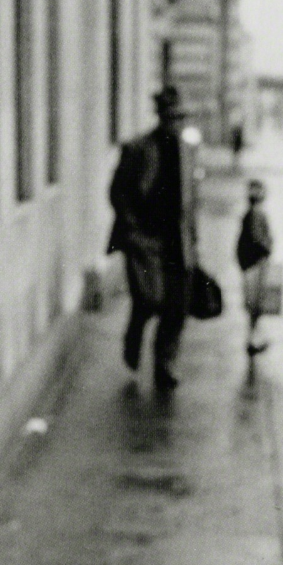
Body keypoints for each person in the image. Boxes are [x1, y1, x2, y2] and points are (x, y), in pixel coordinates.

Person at [108, 85, 193, 392]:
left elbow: (190, 199)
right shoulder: (138, 149)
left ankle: (164, 364)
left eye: (180, 119)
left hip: (177, 240)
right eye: (171, 118)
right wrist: (132, 229)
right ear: (160, 118)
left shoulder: (186, 151)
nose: (176, 125)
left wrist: (194, 242)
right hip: (145, 239)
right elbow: (118, 192)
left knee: (177, 307)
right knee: (149, 299)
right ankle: (134, 334)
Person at [236, 180, 274, 357]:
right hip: (256, 264)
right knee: (256, 304)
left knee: (253, 304)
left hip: (248, 264)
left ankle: (252, 336)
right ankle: (252, 338)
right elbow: (260, 240)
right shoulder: (258, 215)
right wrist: (267, 248)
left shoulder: (248, 215)